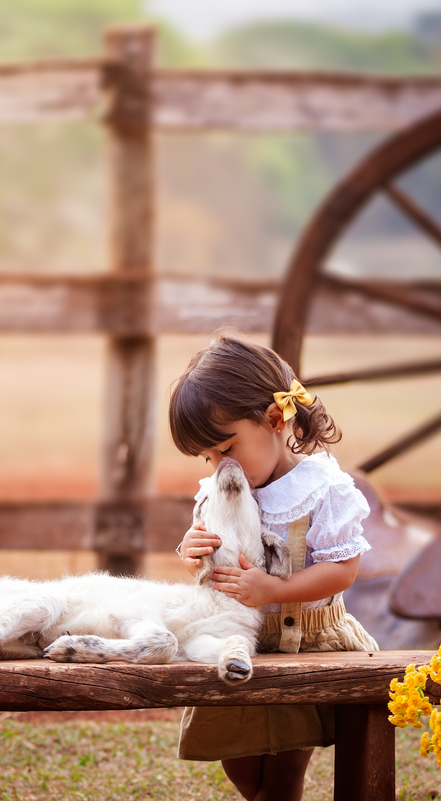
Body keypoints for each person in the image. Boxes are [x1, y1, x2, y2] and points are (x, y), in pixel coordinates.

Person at [170, 332, 379, 801]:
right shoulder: (220, 489)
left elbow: (343, 569)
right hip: (233, 643)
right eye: (208, 456)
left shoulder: (323, 488)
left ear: (273, 418)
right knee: (241, 768)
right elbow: (211, 568)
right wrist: (192, 553)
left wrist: (273, 588)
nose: (220, 465)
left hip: (301, 646)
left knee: (282, 779)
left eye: (226, 448)